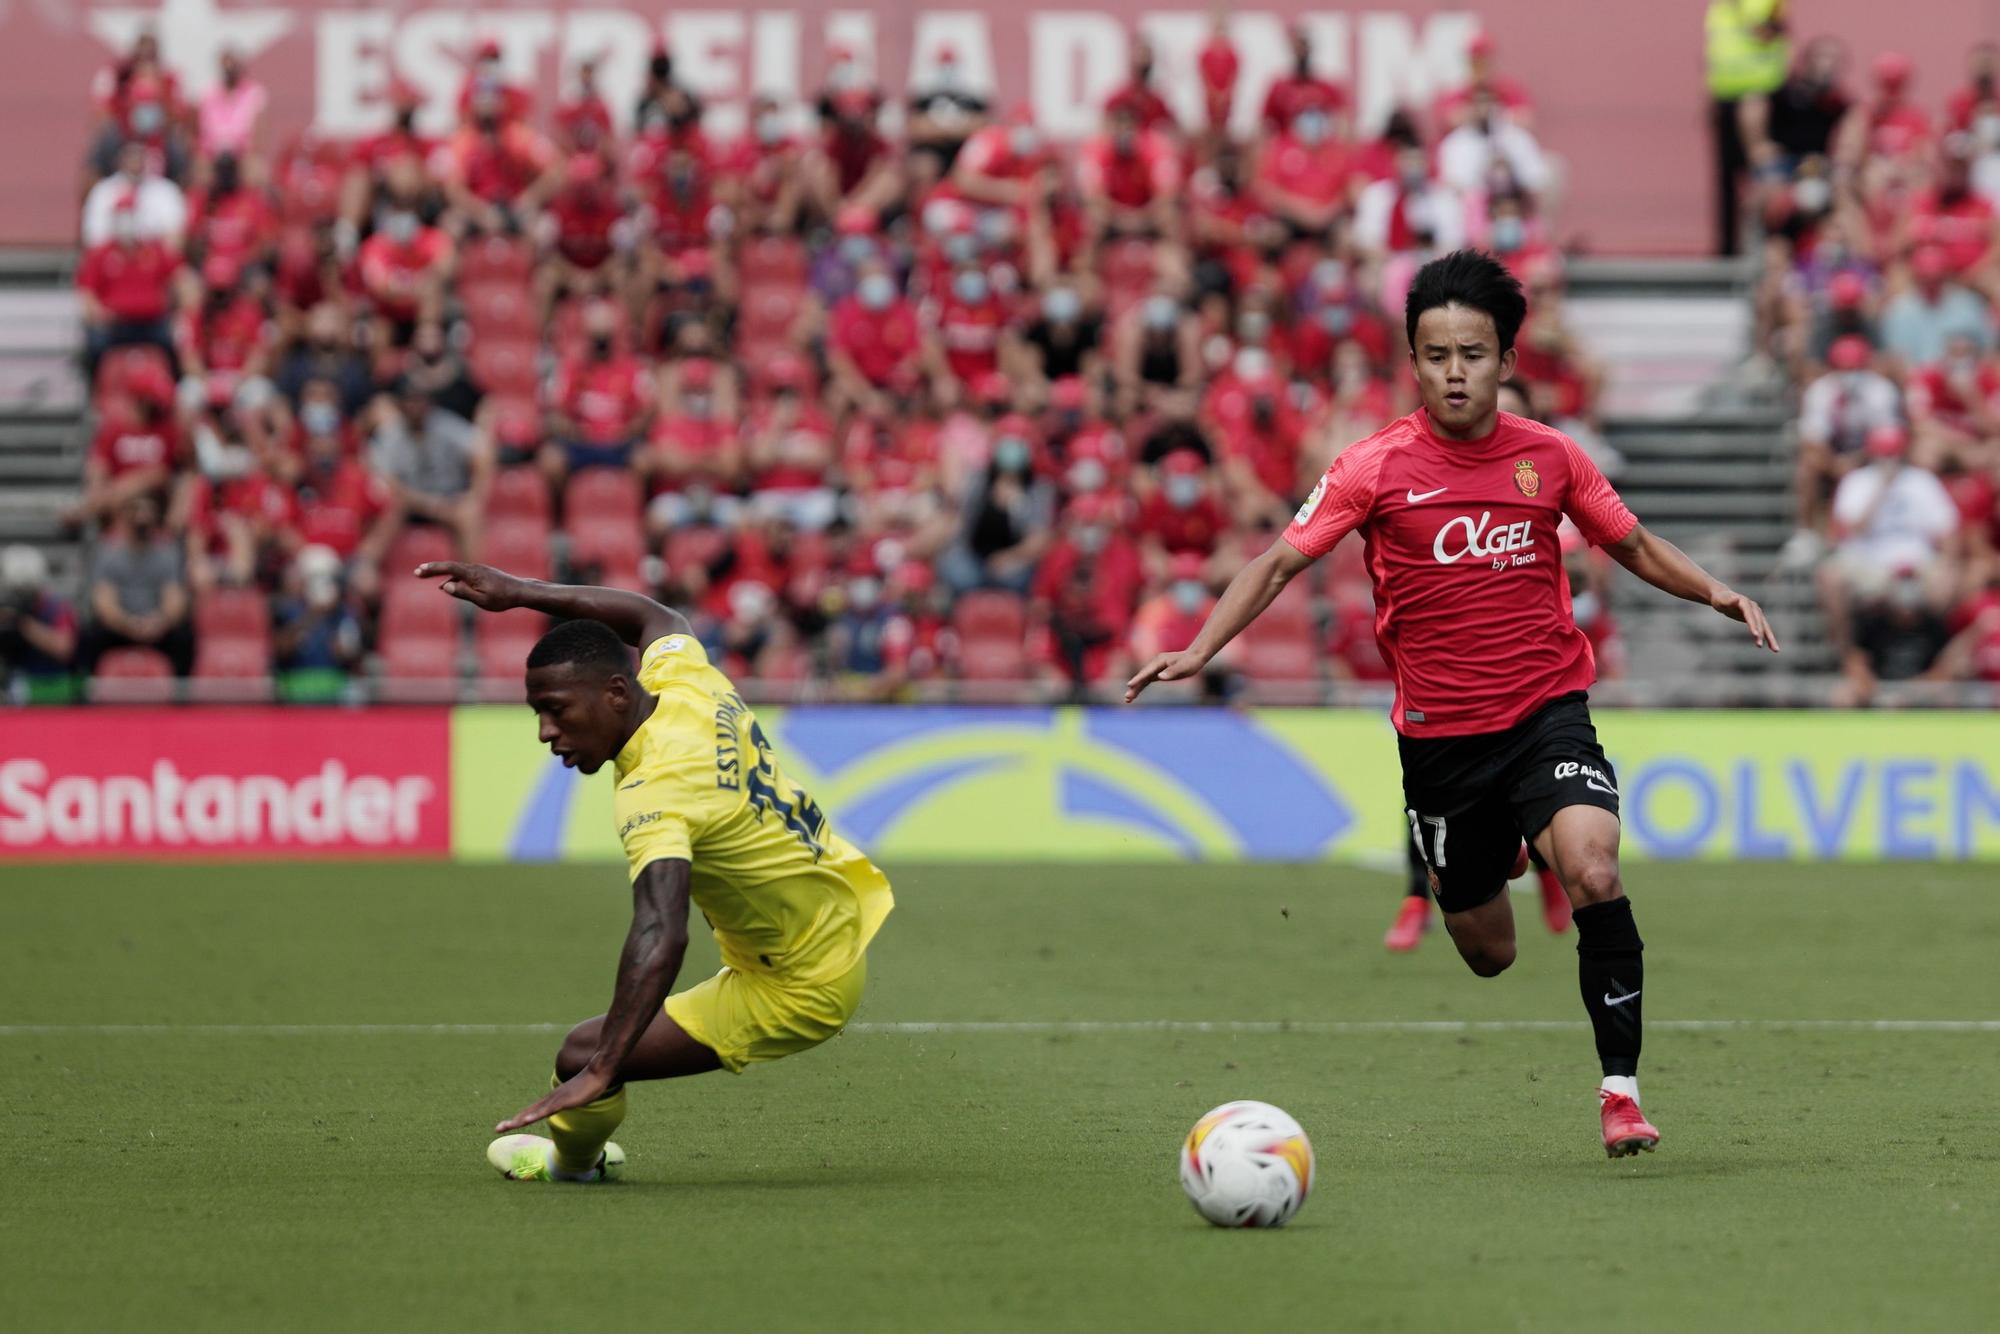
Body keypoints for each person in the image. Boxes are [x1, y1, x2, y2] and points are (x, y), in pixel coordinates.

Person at [1127, 250, 1780, 1158]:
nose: (1455, 372)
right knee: (1488, 952)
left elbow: (1630, 544)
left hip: (1548, 707)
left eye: (1472, 353)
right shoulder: (1373, 467)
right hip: (1442, 744)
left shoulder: (1549, 458)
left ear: (1506, 360)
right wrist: (1201, 647)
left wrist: (1716, 592)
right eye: (1435, 355)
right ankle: (1501, 848)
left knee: (1594, 871)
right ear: (1414, 362)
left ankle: (1620, 1093)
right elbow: (1279, 560)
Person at [411, 561, 894, 1182]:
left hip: (800, 984)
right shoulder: (684, 683)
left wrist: (607, 1065)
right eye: (537, 712)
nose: (544, 731)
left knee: (581, 1054)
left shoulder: (656, 788)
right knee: (598, 1052)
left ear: (615, 693)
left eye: (557, 709)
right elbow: (656, 617)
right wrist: (521, 594)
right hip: (836, 905)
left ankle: (572, 1167)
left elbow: (661, 930)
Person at [1704, 0, 1790, 256]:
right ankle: (1727, 248)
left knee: (1763, 169)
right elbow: (1715, 52)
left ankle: (1766, 243)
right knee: (1727, 177)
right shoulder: (1719, 7)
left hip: (1758, 93)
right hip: (1726, 95)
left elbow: (1767, 31)